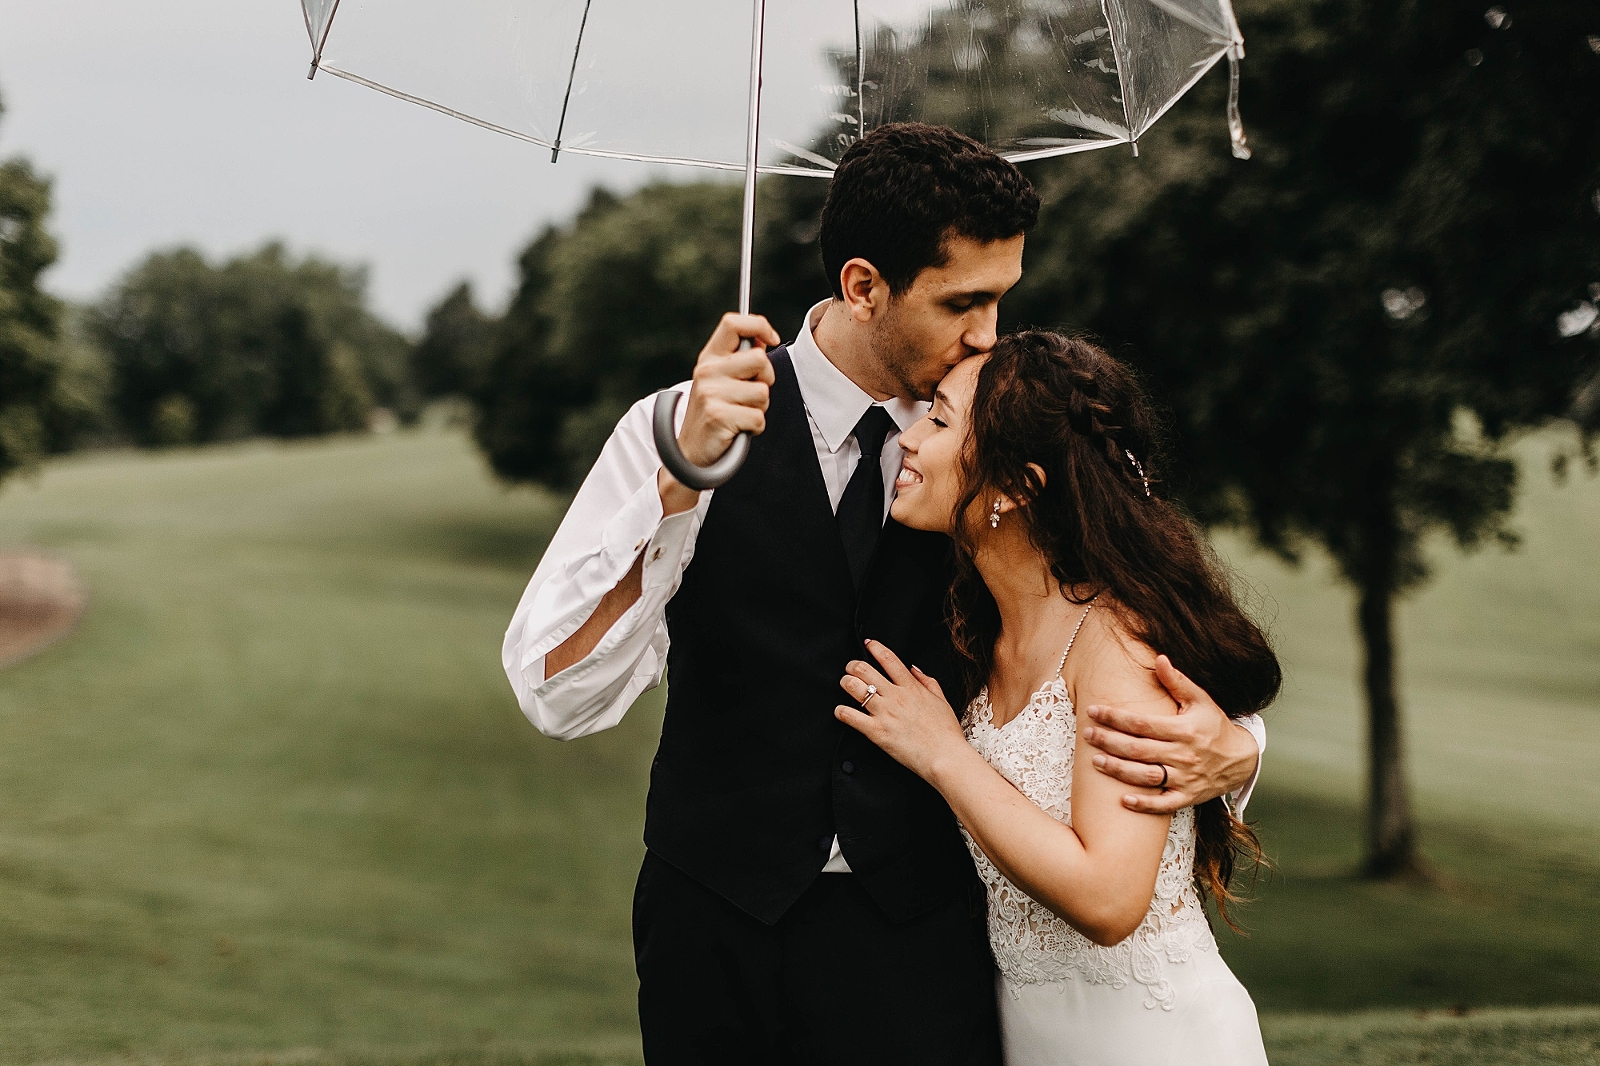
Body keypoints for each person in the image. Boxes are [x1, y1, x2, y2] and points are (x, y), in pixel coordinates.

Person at [501, 123, 1266, 1066]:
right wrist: (677, 484)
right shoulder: (677, 429)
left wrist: (1235, 749)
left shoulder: (1003, 439)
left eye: (1001, 299)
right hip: (713, 924)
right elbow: (555, 689)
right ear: (863, 286)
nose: (988, 333)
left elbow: (1133, 611)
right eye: (962, 302)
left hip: (920, 936)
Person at [834, 331, 1277, 1065]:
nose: (909, 440)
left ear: (1016, 487)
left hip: (1151, 1040)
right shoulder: (981, 625)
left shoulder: (1115, 644)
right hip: (1029, 1036)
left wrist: (944, 755)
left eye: (940, 421)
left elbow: (1109, 900)